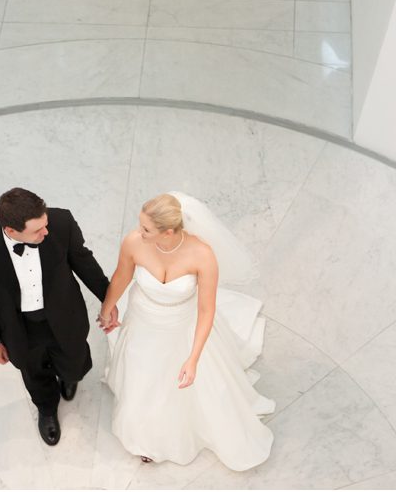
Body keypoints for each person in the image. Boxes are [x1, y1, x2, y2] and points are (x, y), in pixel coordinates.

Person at [99, 192, 275, 470]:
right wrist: (108, 307)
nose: (139, 232)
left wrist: (193, 359)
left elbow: (206, 310)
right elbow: (122, 276)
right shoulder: (134, 242)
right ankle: (144, 435)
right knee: (141, 375)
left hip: (182, 326)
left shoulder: (202, 255)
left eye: (146, 229)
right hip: (143, 321)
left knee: (175, 385)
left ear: (168, 232)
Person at [0, 187, 116, 446]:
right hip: (18, 327)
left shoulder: (61, 222)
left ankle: (69, 377)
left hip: (65, 315)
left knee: (74, 360)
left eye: (45, 224)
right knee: (33, 371)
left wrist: (107, 299)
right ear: (11, 231)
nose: (46, 232)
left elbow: (84, 263)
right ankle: (46, 408)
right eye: (37, 230)